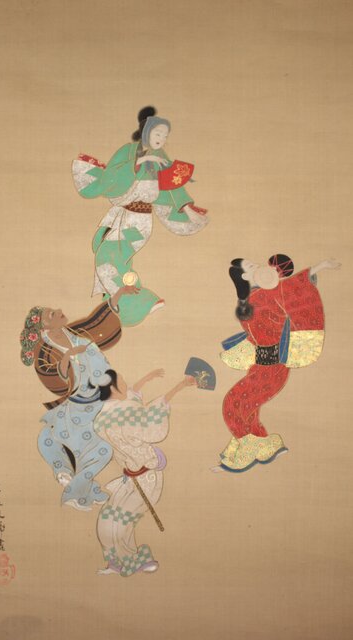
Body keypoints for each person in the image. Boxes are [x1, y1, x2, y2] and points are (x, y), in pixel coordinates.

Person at [72, 106, 209, 327]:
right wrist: (139, 162)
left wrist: (187, 209)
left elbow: (173, 189)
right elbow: (110, 176)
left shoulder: (161, 159)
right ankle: (114, 302)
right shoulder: (128, 151)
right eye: (158, 133)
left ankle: (141, 301)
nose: (162, 139)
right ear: (146, 132)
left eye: (165, 136)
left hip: (138, 219)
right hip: (121, 213)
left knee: (109, 257)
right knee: (104, 251)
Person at [215, 255, 341, 472]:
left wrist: (321, 266)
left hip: (273, 366)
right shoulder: (251, 297)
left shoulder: (275, 290)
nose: (259, 265)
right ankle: (264, 447)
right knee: (247, 408)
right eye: (251, 266)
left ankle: (250, 448)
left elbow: (295, 284)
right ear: (244, 276)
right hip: (260, 365)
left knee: (233, 404)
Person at [20, 285, 138, 510]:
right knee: (59, 440)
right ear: (44, 326)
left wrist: (119, 294)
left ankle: (78, 488)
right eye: (52, 314)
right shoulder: (45, 350)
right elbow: (53, 375)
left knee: (103, 450)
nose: (59, 311)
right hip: (78, 406)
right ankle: (67, 474)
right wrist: (68, 357)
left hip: (101, 399)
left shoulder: (74, 333)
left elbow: (97, 322)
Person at [94, 368, 196, 577]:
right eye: (122, 381)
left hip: (147, 476)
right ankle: (115, 561)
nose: (127, 384)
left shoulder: (103, 417)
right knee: (107, 517)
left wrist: (154, 381)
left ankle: (137, 561)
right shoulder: (120, 413)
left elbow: (131, 397)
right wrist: (177, 387)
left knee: (122, 520)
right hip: (129, 477)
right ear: (113, 389)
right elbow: (150, 414)